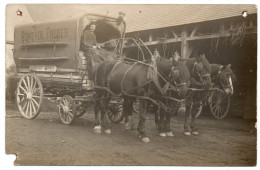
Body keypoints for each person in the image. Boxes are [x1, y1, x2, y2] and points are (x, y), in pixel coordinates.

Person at [81, 23, 98, 88]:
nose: (93, 28)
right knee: (90, 60)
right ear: (89, 27)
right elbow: (84, 41)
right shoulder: (86, 32)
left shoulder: (94, 34)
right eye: (92, 26)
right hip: (86, 49)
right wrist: (91, 46)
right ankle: (91, 77)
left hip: (91, 49)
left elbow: (95, 42)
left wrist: (97, 46)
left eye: (94, 27)